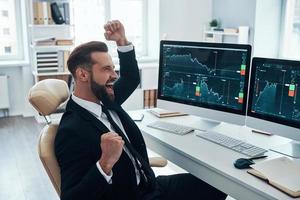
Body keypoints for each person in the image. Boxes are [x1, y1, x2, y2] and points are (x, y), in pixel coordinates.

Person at [55, 20, 227, 200]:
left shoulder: (104, 99)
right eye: (107, 69)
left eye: (113, 69)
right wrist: (105, 163)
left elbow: (130, 78)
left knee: (218, 185)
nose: (114, 75)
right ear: (83, 74)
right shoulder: (71, 130)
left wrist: (122, 41)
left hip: (150, 186)